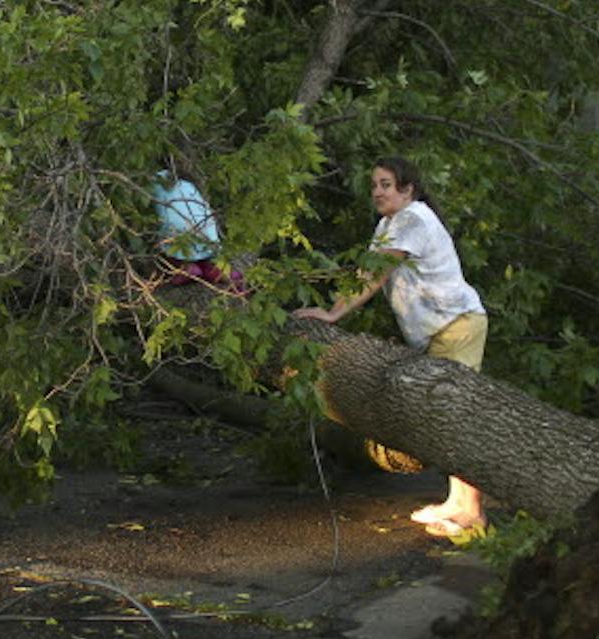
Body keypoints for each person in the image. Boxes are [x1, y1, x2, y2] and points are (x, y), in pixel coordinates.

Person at [293, 156, 490, 537]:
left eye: (386, 184)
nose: (378, 192)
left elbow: (374, 273)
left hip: (456, 325)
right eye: (375, 185)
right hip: (440, 329)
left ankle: (472, 512)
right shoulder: (390, 224)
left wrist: (333, 315)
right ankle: (457, 501)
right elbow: (368, 271)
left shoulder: (413, 219)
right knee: (442, 416)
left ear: (408, 189)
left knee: (455, 417)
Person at [150, 168, 244, 292]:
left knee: (166, 246)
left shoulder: (150, 186)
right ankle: (218, 271)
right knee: (205, 255)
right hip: (206, 233)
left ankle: (186, 267)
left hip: (179, 237)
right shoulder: (187, 185)